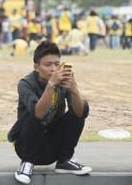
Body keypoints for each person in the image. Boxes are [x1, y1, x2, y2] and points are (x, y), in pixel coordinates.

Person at [8, 41, 91, 184]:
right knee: (34, 113)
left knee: (77, 113)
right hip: (26, 146)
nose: (53, 69)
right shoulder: (26, 83)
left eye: (57, 64)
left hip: (53, 148)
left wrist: (74, 89)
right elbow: (38, 113)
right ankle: (26, 164)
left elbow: (81, 113)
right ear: (36, 67)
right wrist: (51, 85)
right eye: (48, 65)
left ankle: (64, 161)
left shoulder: (64, 81)